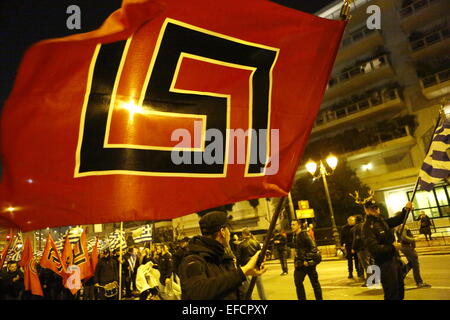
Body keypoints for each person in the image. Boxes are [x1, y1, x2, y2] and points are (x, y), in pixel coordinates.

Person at [178, 211, 267, 300]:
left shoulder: (224, 257)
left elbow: (236, 291)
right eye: (228, 229)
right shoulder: (192, 260)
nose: (230, 234)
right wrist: (243, 271)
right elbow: (198, 292)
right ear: (222, 232)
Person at [362, 200, 412, 300]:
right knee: (391, 293)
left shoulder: (381, 221)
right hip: (384, 264)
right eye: (372, 208)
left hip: (395, 261)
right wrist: (393, 247)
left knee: (400, 291)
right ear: (366, 210)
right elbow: (374, 249)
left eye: (376, 207)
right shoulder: (367, 227)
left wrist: (406, 209)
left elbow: (397, 220)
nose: (376, 210)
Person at [290, 219, 322, 300]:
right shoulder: (294, 236)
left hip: (308, 264)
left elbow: (314, 248)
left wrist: (307, 260)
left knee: (315, 284)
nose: (292, 226)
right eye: (291, 224)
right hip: (299, 264)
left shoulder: (304, 235)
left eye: (294, 224)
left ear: (299, 225)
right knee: (298, 282)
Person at [395, 223, 431, 288]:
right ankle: (419, 282)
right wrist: (414, 239)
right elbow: (404, 237)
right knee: (415, 264)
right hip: (407, 247)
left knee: (411, 263)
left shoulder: (399, 227)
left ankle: (400, 277)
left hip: (404, 247)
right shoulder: (403, 227)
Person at [237, 228, 267, 300]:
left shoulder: (240, 245)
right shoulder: (256, 242)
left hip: (246, 267)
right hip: (256, 266)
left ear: (243, 235)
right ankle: (264, 299)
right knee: (260, 285)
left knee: (248, 288)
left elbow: (238, 257)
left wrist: (239, 266)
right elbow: (261, 254)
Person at [351, 214, 372, 285]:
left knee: (365, 264)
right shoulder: (365, 225)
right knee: (371, 263)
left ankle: (369, 281)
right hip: (369, 246)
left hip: (361, 248)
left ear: (356, 220)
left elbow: (356, 238)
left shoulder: (356, 227)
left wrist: (353, 247)